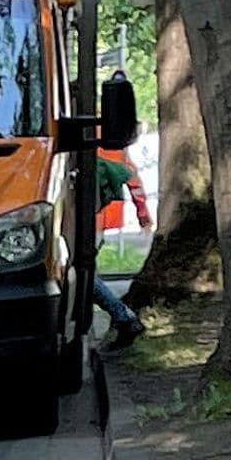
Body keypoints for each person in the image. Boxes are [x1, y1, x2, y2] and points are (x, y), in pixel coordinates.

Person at [90, 70, 151, 346]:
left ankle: (124, 316)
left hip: (89, 216)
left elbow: (129, 175)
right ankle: (123, 317)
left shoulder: (96, 133)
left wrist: (143, 213)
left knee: (84, 274)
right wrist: (142, 213)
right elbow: (131, 177)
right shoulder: (108, 131)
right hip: (95, 215)